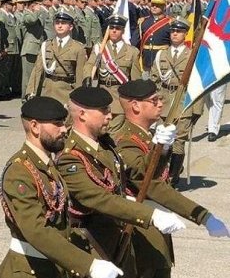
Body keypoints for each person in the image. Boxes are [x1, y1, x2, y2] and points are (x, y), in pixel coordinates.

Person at [56, 86, 186, 278]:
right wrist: (150, 215)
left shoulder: (106, 145)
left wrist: (162, 148)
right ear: (82, 114)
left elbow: (142, 175)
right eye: (104, 111)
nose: (110, 116)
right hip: (93, 245)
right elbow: (98, 198)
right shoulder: (70, 156)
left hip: (119, 242)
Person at [112, 79, 230, 278]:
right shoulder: (126, 142)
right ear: (135, 106)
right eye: (153, 100)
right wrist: (202, 216)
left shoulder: (146, 136)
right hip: (143, 231)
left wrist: (163, 147)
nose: (160, 103)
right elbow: (152, 184)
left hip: (157, 227)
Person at [0, 96, 123, 278]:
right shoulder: (19, 172)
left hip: (54, 266)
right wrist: (88, 265)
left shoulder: (47, 164)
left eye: (64, 123)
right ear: (34, 126)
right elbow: (36, 231)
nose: (64, 129)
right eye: (57, 124)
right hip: (29, 269)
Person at [150, 17, 203, 186]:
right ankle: (160, 174)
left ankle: (173, 177)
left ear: (185, 34)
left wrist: (197, 109)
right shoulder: (161, 55)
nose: (174, 34)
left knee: (179, 141)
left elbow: (198, 83)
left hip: (183, 103)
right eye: (172, 31)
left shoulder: (192, 55)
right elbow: (154, 79)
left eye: (179, 31)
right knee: (162, 140)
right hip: (164, 101)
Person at [84, 15, 142, 133]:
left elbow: (136, 79)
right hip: (102, 95)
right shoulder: (100, 49)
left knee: (115, 134)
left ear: (123, 31)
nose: (114, 31)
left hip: (120, 98)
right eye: (111, 28)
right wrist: (87, 76)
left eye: (118, 28)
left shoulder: (132, 52)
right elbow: (90, 65)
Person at [25, 11, 86, 103]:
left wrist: (79, 97)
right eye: (57, 23)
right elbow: (37, 70)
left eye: (64, 23)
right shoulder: (46, 45)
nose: (60, 26)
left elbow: (80, 75)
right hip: (47, 90)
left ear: (71, 27)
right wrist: (31, 91)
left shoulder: (78, 48)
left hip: (66, 91)